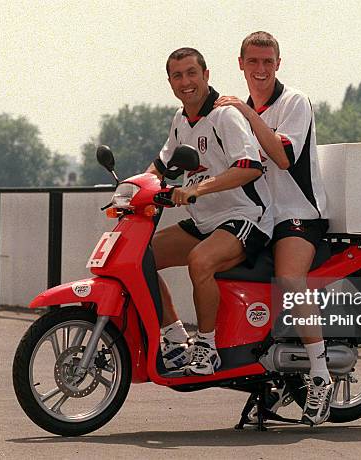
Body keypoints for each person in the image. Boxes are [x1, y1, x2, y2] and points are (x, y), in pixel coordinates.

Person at [215, 31, 333, 425]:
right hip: (260, 216)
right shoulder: (233, 110)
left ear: (278, 64)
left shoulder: (294, 102)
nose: (261, 69)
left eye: (268, 61)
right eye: (253, 61)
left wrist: (249, 114)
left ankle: (320, 374)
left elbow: (282, 157)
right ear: (241, 63)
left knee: (288, 278)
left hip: (298, 214)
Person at [146, 47, 272, 376]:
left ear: (206, 75)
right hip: (207, 221)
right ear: (170, 82)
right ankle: (174, 338)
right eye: (177, 75)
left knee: (200, 260)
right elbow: (159, 168)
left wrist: (195, 189)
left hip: (247, 217)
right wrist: (131, 191)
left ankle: (207, 347)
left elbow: (250, 168)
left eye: (191, 73)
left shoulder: (224, 116)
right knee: (142, 257)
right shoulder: (180, 120)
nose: (185, 81)